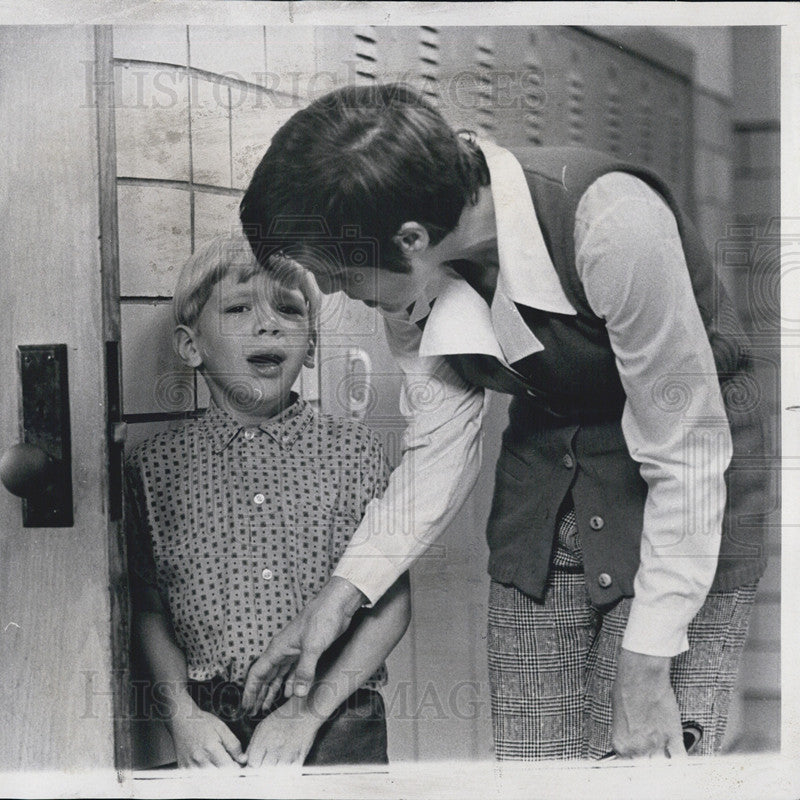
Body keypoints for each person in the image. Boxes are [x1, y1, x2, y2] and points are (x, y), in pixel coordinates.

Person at [237, 83, 767, 760]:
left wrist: (645, 668)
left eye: (343, 280)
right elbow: (437, 448)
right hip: (544, 503)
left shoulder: (610, 223)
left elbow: (688, 453)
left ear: (411, 238)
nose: (346, 299)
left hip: (684, 496)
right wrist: (340, 596)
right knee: (533, 762)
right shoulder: (414, 277)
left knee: (641, 762)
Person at [124, 233, 411, 768]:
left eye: (288, 309)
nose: (268, 324)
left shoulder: (355, 453)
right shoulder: (153, 468)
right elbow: (148, 611)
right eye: (238, 309)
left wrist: (306, 715)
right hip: (210, 725)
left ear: (310, 346)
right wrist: (181, 715)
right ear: (192, 346)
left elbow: (390, 606)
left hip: (336, 716)